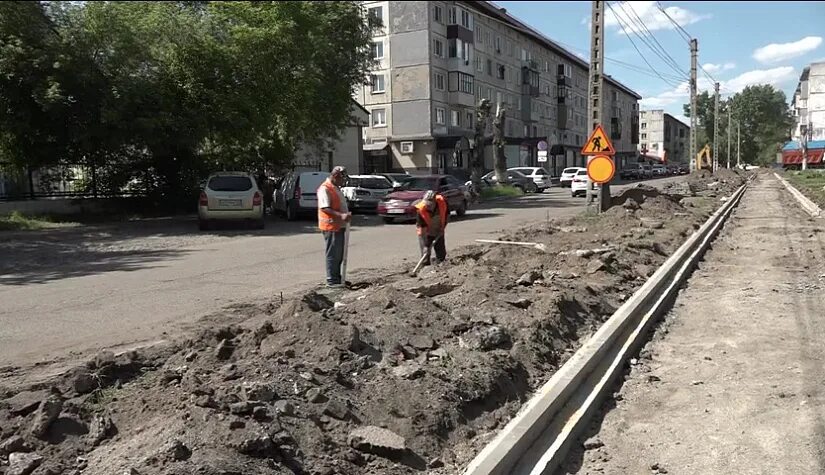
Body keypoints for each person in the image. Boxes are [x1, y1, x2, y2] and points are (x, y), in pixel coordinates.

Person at [317, 166, 352, 287]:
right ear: (336, 177)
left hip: (338, 225)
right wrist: (341, 215)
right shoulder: (325, 188)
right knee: (333, 254)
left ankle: (337, 278)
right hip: (330, 226)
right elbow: (325, 207)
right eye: (342, 179)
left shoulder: (335, 187)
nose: (343, 182)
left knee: (339, 254)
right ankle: (332, 280)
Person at [415, 190, 448, 266]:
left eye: (429, 205)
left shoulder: (442, 202)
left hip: (438, 229)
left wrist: (442, 228)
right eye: (426, 204)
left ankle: (441, 267)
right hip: (426, 232)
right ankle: (425, 268)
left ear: (434, 202)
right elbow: (422, 230)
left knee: (441, 253)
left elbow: (447, 215)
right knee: (425, 253)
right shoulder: (421, 210)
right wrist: (426, 246)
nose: (427, 206)